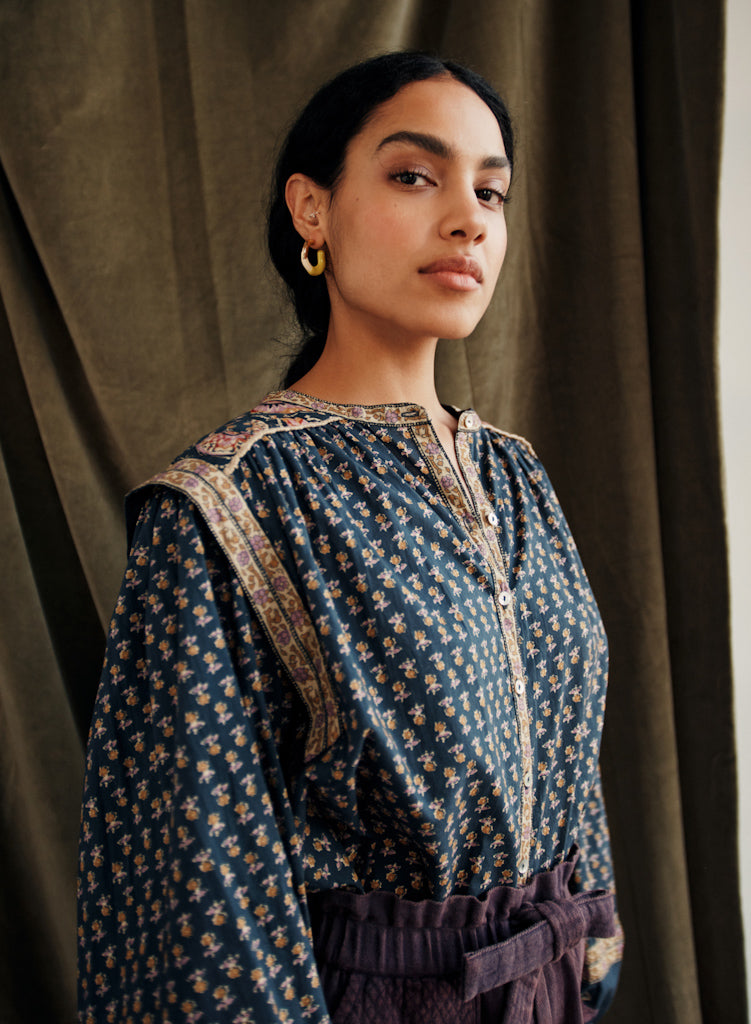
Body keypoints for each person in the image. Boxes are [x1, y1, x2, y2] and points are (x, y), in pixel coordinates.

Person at [77, 51, 623, 1023]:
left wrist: (592, 934)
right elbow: (199, 891)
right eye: (414, 175)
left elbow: (571, 759)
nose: (467, 219)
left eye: (490, 192)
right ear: (312, 209)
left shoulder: (516, 475)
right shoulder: (227, 507)